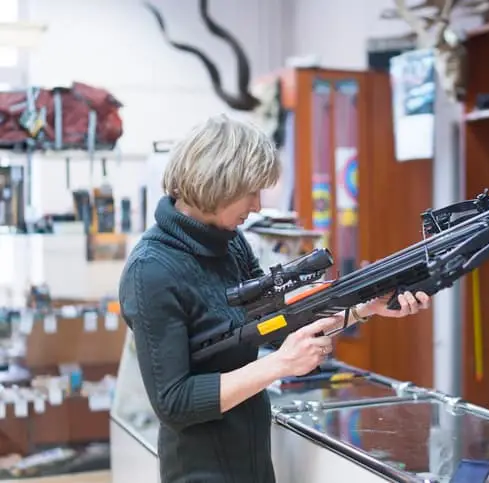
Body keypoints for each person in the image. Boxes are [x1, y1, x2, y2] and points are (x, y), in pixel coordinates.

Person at [118, 114, 431, 483]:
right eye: (251, 191)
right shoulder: (150, 270)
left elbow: (276, 327)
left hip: (253, 462)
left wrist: (364, 308)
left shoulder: (231, 243)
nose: (256, 205)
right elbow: (175, 401)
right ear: (217, 182)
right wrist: (280, 365)